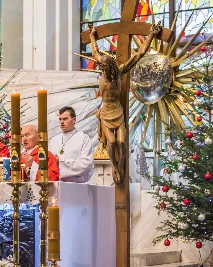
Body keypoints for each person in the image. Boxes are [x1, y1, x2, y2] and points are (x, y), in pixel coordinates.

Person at [90, 23, 161, 183]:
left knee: (121, 142)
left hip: (117, 111)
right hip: (105, 113)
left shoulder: (119, 71)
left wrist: (150, 35)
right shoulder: (102, 67)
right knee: (112, 142)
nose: (103, 70)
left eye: (106, 68)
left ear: (111, 68)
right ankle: (114, 167)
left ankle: (121, 165)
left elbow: (139, 54)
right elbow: (94, 51)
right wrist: (92, 37)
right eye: (102, 67)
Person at [49, 107, 94, 183]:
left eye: (65, 119)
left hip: (77, 184)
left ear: (74, 120)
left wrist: (61, 161)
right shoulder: (54, 140)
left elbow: (86, 164)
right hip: (56, 183)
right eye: (60, 119)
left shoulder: (83, 138)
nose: (62, 122)